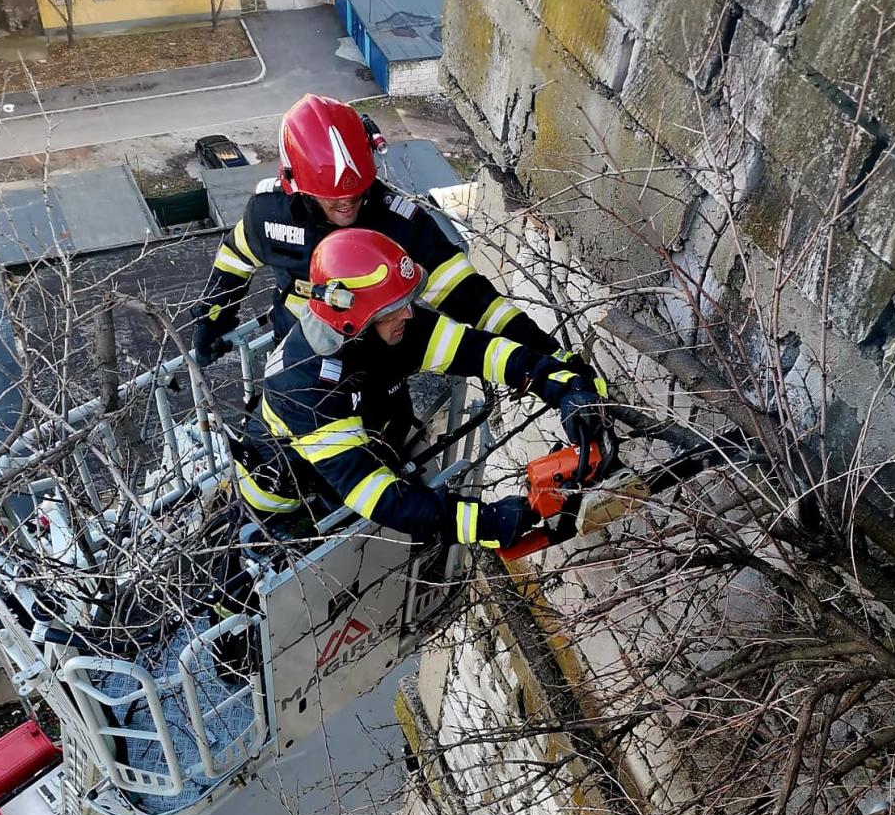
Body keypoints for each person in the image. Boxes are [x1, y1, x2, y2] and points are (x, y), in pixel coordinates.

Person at [253, 228, 607, 550]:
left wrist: (559, 384)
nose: (409, 314)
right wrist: (481, 522)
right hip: (286, 487)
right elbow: (378, 496)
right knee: (283, 555)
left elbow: (482, 351)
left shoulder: (391, 326)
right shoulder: (306, 387)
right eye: (395, 308)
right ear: (354, 320)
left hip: (371, 441)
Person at [191, 93, 593, 370]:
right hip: (298, 354)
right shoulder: (270, 213)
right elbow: (235, 258)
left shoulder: (400, 225)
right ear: (298, 185)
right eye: (333, 198)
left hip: (377, 367)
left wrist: (549, 355)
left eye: (357, 192)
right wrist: (213, 318)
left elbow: (474, 299)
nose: (347, 204)